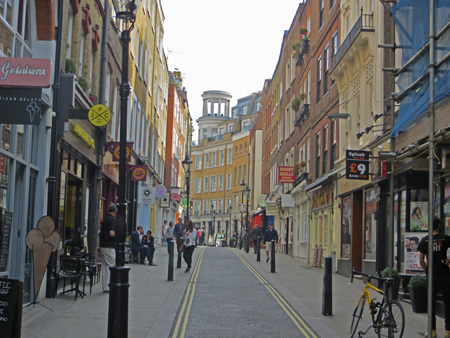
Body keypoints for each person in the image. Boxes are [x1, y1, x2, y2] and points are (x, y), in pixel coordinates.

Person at [418, 218, 450, 338]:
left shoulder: (425, 240)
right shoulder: (446, 238)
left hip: (432, 275)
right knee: (448, 302)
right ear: (439, 226)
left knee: (430, 303)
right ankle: (448, 331)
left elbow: (421, 260)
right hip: (445, 274)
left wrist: (427, 271)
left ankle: (432, 331)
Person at [99, 203, 117, 292]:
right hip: (109, 245)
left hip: (103, 245)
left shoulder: (105, 219)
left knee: (105, 266)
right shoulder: (113, 220)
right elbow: (112, 233)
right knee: (112, 265)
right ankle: (110, 285)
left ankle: (105, 286)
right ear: (115, 210)